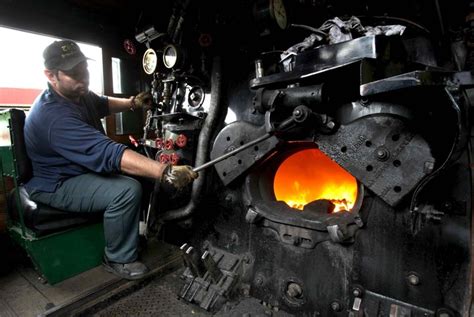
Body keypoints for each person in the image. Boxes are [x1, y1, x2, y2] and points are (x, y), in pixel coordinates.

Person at [24, 40, 198, 280]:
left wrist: (132, 103)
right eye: (74, 73)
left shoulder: (77, 93)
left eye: (84, 69)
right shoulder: (53, 116)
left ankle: (136, 233)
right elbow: (108, 153)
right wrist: (165, 171)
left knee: (141, 173)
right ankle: (117, 257)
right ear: (50, 75)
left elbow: (102, 103)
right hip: (57, 182)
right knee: (125, 190)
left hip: (78, 169)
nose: (83, 78)